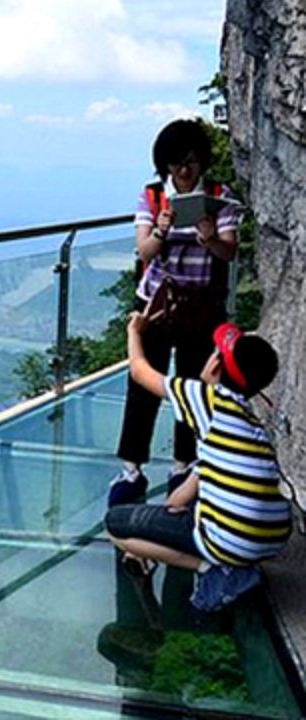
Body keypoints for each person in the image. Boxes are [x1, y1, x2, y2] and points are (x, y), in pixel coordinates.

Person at [105, 312, 291, 611]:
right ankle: (229, 562)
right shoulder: (251, 424)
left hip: (231, 541)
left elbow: (141, 372)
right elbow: (183, 495)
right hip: (272, 539)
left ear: (215, 365)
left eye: (214, 352)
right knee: (179, 514)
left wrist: (134, 331)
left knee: (116, 526)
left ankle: (213, 570)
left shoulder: (206, 399)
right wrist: (171, 511)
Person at [108, 118, 241, 507]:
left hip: (201, 306)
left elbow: (229, 252)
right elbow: (144, 252)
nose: (184, 170)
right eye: (177, 162)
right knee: (141, 387)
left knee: (192, 385)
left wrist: (210, 235)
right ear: (164, 163)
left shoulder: (219, 197)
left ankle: (182, 465)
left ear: (202, 162)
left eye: (192, 161)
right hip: (157, 305)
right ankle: (131, 468)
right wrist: (162, 230)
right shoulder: (151, 198)